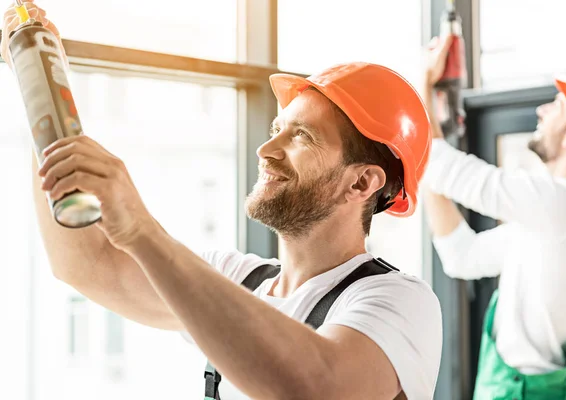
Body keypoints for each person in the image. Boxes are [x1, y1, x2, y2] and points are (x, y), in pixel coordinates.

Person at [2, 3, 443, 400]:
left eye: (301, 137)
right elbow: (84, 265)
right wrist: (38, 83)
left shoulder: (397, 301)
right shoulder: (235, 279)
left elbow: (317, 387)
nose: (266, 151)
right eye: (276, 130)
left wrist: (141, 229)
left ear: (362, 183)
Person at [421, 35, 566, 399]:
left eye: (556, 107)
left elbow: (454, 172)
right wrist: (429, 176)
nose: (541, 112)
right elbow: (463, 256)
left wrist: (424, 83)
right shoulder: (564, 219)